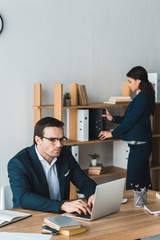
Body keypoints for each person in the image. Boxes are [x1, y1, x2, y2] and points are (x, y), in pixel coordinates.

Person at [8, 117, 96, 214]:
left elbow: (84, 182)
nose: (59, 145)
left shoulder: (65, 155)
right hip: (29, 216)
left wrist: (93, 194)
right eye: (52, 140)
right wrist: (62, 205)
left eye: (61, 139)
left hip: (60, 215)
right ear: (38, 140)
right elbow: (23, 198)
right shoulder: (18, 163)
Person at [99, 66, 155, 190]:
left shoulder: (142, 97)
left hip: (140, 146)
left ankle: (137, 207)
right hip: (141, 145)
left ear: (138, 80)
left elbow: (131, 121)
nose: (128, 85)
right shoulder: (142, 96)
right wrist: (112, 118)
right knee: (143, 182)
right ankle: (145, 208)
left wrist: (112, 134)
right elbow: (131, 118)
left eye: (130, 81)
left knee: (132, 183)